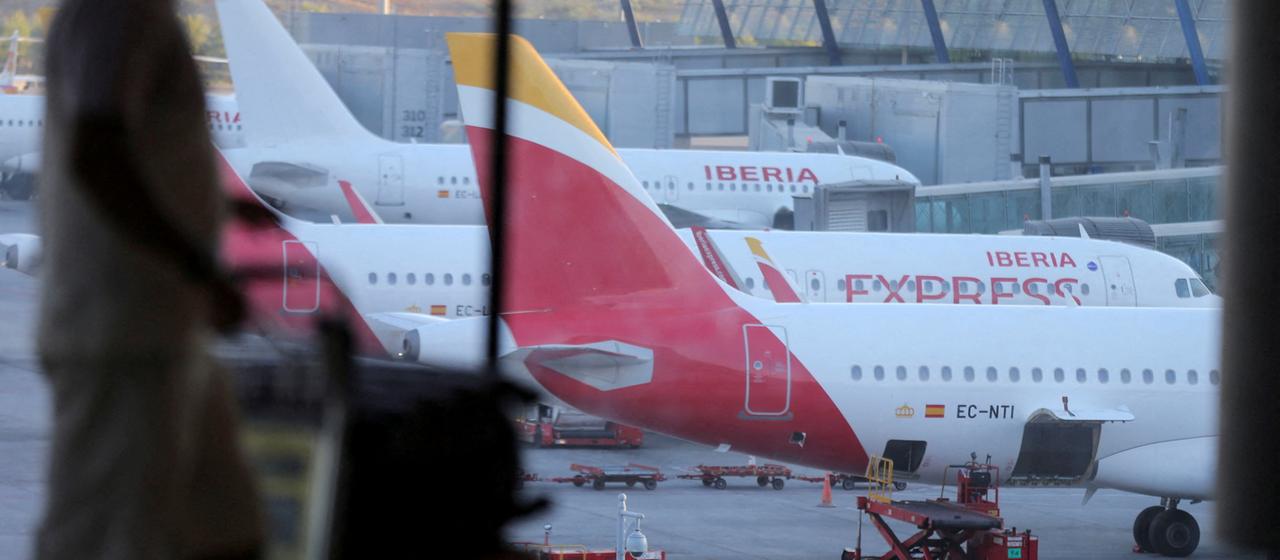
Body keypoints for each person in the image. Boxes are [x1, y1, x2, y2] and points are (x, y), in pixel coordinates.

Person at [36, 0, 262, 558]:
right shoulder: (119, 13)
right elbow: (97, 152)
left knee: (226, 526)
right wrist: (196, 266)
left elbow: (133, 153)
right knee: (108, 536)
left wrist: (221, 207)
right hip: (124, 329)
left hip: (161, 328)